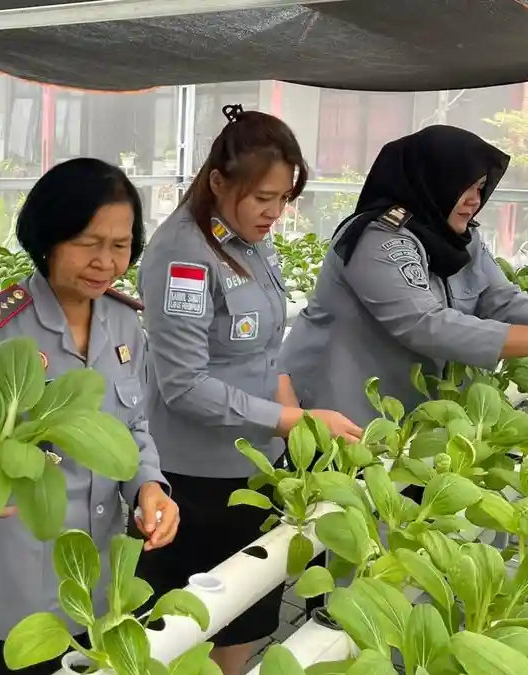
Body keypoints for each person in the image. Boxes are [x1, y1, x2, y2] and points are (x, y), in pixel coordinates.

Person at [134, 105, 362, 675]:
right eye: (264, 198)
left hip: (253, 462)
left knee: (246, 616)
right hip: (197, 478)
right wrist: (294, 423)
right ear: (218, 181)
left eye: (284, 199)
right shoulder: (185, 255)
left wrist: (294, 425)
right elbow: (184, 386)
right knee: (188, 624)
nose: (275, 213)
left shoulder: (248, 240)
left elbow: (261, 353)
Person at [0, 157, 179, 675]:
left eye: (120, 246)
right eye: (87, 242)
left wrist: (149, 488)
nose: (105, 261)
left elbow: (133, 427)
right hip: (19, 587)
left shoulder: (123, 322)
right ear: (49, 237)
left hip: (101, 584)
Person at [278, 125, 528, 428]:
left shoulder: (460, 239)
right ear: (432, 181)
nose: (474, 200)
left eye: (481, 188)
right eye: (465, 187)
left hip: (405, 417)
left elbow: (499, 297)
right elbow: (423, 323)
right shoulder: (378, 237)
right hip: (338, 412)